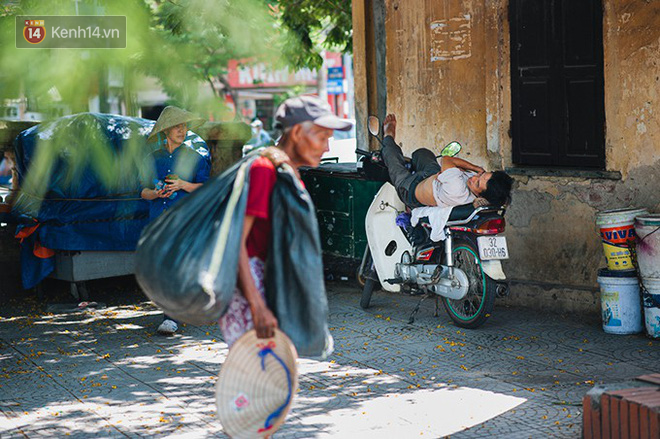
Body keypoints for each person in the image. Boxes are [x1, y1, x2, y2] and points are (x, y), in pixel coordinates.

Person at [218, 95, 352, 346]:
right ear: (299, 132)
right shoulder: (263, 170)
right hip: (252, 296)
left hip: (271, 289)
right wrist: (257, 307)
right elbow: (235, 241)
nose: (327, 148)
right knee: (255, 380)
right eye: (323, 138)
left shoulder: (288, 171)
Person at [141, 106, 211, 335]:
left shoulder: (195, 158)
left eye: (184, 126)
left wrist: (183, 185)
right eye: (177, 127)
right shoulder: (152, 158)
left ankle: (170, 317)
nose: (182, 130)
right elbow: (143, 191)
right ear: (166, 131)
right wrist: (155, 193)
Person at [380, 113, 513, 209]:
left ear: (480, 196)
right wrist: (473, 174)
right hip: (432, 177)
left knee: (393, 161)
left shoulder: (457, 189)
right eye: (481, 175)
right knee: (422, 153)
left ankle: (388, 136)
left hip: (410, 189)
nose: (474, 177)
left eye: (477, 183)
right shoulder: (480, 190)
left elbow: (447, 159)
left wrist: (476, 168)